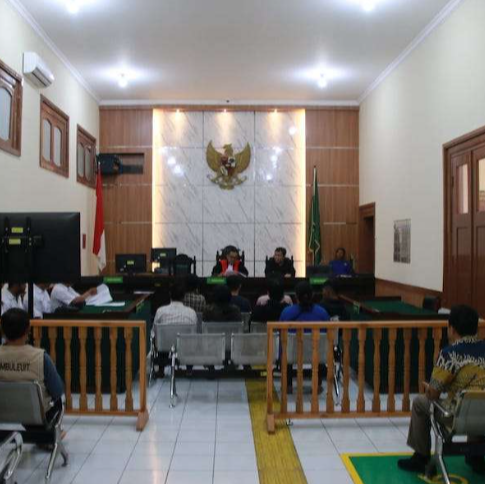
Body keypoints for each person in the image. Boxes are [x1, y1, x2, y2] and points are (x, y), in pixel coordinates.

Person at [398, 305, 485, 475]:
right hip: (482, 417)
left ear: (452, 329)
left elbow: (433, 394)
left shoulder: (449, 354)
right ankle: (476, 456)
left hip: (457, 417)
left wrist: (430, 388)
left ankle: (421, 457)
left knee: (420, 402)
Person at [0, 309, 64, 417]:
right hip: (36, 416)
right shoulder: (41, 357)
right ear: (28, 330)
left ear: (2, 331)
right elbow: (57, 390)